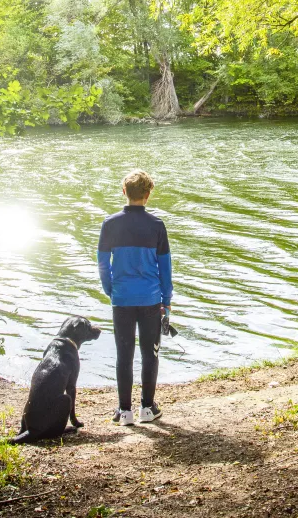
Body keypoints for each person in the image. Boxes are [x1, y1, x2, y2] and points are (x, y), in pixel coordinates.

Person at [97, 169, 173, 426]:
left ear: (124, 192)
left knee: (124, 354)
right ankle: (148, 408)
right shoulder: (156, 225)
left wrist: (111, 290)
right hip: (151, 299)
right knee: (150, 354)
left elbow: (102, 263)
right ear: (148, 194)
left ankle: (124, 410)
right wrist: (167, 298)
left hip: (122, 299)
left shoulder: (110, 223)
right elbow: (165, 267)